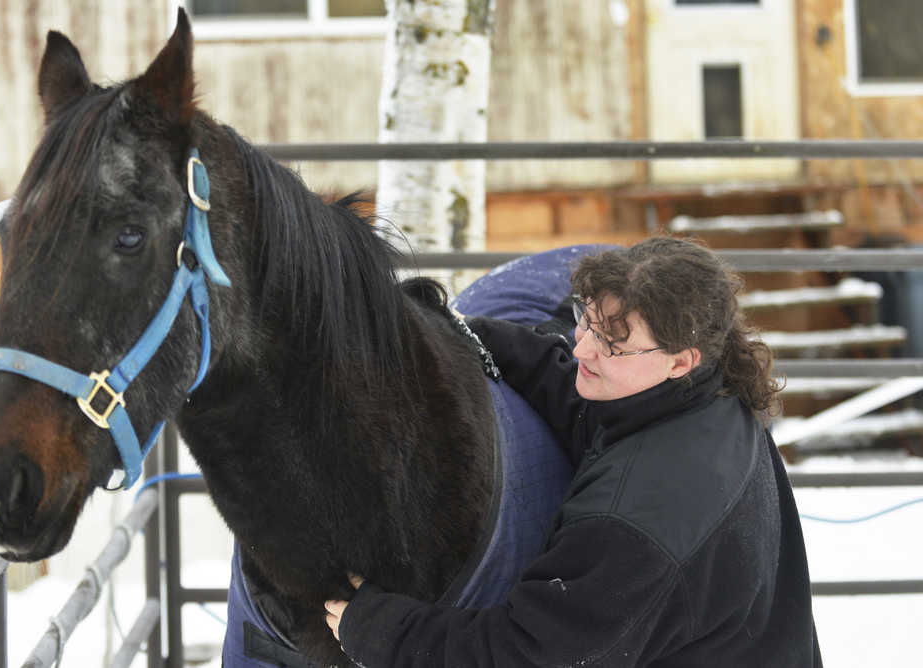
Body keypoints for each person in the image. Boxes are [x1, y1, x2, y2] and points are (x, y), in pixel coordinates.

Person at [324, 237, 822, 667]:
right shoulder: (708, 398)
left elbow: (531, 655)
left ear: (680, 360)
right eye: (585, 322)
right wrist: (457, 335)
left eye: (613, 345)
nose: (583, 349)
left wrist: (379, 630)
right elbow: (579, 400)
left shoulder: (633, 523)